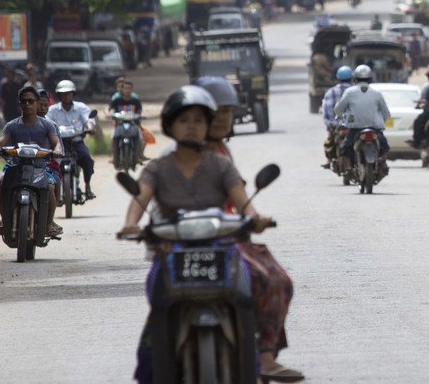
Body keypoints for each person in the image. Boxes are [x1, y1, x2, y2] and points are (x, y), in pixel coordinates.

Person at [118, 86, 303, 383]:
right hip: (171, 251)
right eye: (184, 120)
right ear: (170, 125)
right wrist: (131, 225)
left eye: (199, 120)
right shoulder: (158, 167)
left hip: (221, 246)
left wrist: (255, 219)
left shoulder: (220, 163)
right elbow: (140, 198)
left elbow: (243, 201)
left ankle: (255, 360)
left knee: (245, 296)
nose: (192, 126)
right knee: (159, 307)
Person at [0, 86, 64, 237]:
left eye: (31, 101)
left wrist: (57, 150)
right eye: (24, 101)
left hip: (40, 167)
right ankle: (5, 220)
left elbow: (56, 142)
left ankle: (49, 223)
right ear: (20, 104)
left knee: (50, 187)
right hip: (14, 166)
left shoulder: (47, 125)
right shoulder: (12, 125)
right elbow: (1, 141)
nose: (28, 104)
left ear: (37, 103)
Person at [333, 64, 391, 173]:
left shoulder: (349, 92)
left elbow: (338, 110)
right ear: (370, 79)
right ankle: (382, 163)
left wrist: (341, 116)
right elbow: (386, 114)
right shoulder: (377, 93)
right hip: (375, 128)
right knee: (384, 147)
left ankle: (349, 168)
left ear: (355, 79)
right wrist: (382, 120)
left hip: (355, 128)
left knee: (345, 148)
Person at [46, 80, 97, 200]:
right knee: (48, 163)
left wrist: (90, 128)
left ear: (73, 94)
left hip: (76, 141)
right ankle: (52, 191)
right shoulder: (52, 110)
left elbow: (88, 120)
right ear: (59, 95)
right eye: (63, 94)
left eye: (69, 93)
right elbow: (47, 123)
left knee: (86, 158)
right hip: (59, 143)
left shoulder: (81, 107)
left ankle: (88, 187)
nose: (66, 96)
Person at [321, 66, 354, 166]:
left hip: (337, 126)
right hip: (355, 125)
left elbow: (327, 111)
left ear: (338, 78)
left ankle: (329, 160)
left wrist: (331, 124)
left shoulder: (331, 92)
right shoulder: (356, 91)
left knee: (329, 143)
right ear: (352, 78)